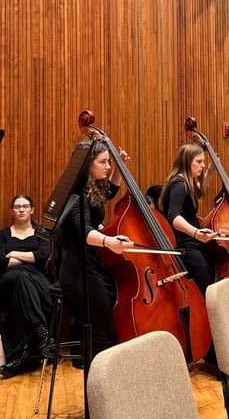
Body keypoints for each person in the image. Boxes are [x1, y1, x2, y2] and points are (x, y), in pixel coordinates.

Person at [160, 144, 229, 378]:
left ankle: (215, 356)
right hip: (187, 248)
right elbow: (174, 217)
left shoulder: (186, 183)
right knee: (210, 303)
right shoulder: (178, 185)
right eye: (199, 162)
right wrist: (197, 233)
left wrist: (209, 174)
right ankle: (219, 362)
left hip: (194, 245)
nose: (202, 164)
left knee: (211, 301)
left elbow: (196, 196)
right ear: (187, 161)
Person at [56, 140, 134, 359]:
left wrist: (119, 168)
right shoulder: (76, 192)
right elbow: (84, 230)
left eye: (109, 162)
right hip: (77, 267)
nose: (108, 166)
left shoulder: (92, 186)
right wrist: (109, 242)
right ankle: (100, 374)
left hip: (90, 262)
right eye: (103, 162)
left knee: (105, 318)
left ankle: (98, 367)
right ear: (87, 163)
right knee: (104, 330)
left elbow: (109, 192)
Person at [0, 194, 53, 378]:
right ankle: (40, 329)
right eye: (17, 207)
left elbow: (42, 256)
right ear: (12, 211)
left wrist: (14, 253)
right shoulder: (1, 235)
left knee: (21, 285)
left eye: (25, 206)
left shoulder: (43, 232)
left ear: (32, 210)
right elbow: (1, 262)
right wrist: (29, 257)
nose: (21, 210)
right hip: (7, 282)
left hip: (37, 281)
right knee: (19, 278)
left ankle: (18, 356)